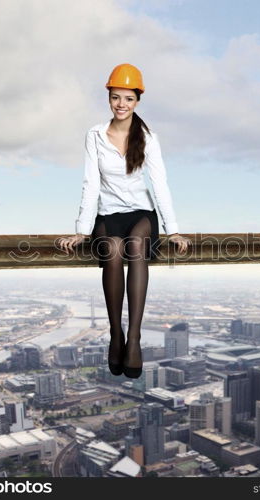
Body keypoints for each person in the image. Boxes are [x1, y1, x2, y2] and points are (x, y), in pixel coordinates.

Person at [59, 63, 191, 378]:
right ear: (109, 97)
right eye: (116, 97)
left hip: (141, 214)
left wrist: (173, 231)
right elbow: (90, 184)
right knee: (114, 249)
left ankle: (134, 338)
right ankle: (115, 334)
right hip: (108, 215)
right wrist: (80, 230)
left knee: (134, 244)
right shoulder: (94, 135)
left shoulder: (148, 138)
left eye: (128, 99)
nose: (121, 104)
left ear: (137, 101)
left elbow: (160, 184)